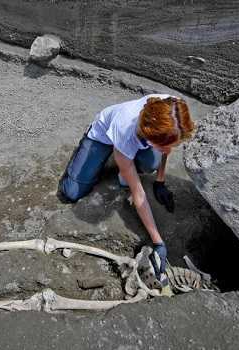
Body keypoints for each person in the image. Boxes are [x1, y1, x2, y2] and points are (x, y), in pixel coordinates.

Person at [58, 94, 195, 283]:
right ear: (149, 134)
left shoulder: (173, 107)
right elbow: (138, 195)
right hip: (103, 135)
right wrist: (158, 242)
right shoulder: (124, 132)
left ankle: (128, 162)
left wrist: (160, 181)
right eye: (162, 145)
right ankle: (98, 156)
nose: (167, 150)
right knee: (71, 192)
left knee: (151, 163)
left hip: (137, 139)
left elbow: (167, 148)